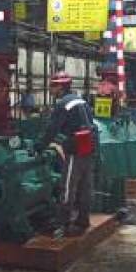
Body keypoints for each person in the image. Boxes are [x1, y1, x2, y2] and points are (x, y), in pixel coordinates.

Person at [44, 72, 95, 236]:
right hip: (89, 147)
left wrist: (39, 146)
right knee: (85, 186)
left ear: (60, 87)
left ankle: (62, 224)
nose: (50, 89)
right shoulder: (81, 101)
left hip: (75, 149)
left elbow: (52, 129)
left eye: (52, 86)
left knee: (67, 186)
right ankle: (83, 220)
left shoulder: (63, 104)